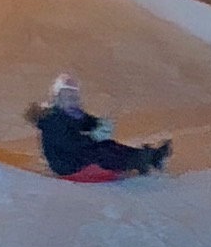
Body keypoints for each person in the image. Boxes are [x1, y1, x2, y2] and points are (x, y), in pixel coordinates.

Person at [27, 74, 170, 181]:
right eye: (67, 97)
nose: (72, 101)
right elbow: (70, 143)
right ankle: (138, 161)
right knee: (101, 153)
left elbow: (86, 122)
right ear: (57, 99)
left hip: (75, 156)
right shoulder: (53, 120)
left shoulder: (72, 113)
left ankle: (146, 156)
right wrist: (94, 137)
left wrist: (100, 124)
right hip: (67, 165)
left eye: (74, 97)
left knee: (107, 145)